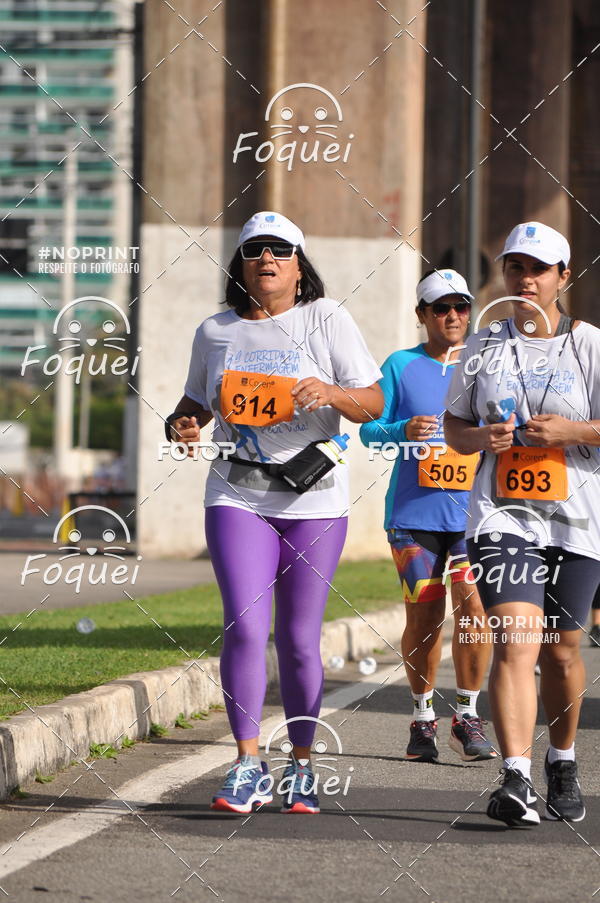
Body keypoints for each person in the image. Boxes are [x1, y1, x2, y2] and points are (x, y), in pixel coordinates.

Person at [166, 211, 383, 814]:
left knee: (297, 639)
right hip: (237, 494)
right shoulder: (214, 332)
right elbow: (193, 402)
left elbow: (372, 400)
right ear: (239, 264)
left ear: (298, 263)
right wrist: (182, 423)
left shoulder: (327, 318)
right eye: (255, 249)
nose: (267, 258)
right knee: (243, 623)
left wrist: (333, 393)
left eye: (280, 250)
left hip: (314, 502)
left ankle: (303, 765)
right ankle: (246, 764)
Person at [445, 222, 600, 826]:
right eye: (515, 267)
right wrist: (482, 437)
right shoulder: (482, 345)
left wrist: (572, 432)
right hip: (501, 517)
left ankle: (561, 758)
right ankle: (515, 777)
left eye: (538, 268)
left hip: (577, 520)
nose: (525, 278)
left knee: (561, 653)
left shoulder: (589, 345)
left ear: (564, 276)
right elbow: (454, 428)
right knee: (516, 642)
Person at [359, 269, 496, 764]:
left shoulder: (485, 365)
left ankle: (467, 714)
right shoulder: (400, 364)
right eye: (441, 308)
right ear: (422, 315)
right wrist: (401, 429)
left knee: (475, 611)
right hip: (414, 515)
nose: (454, 315)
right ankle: (421, 718)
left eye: (461, 305)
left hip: (475, 517)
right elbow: (368, 433)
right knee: (424, 615)